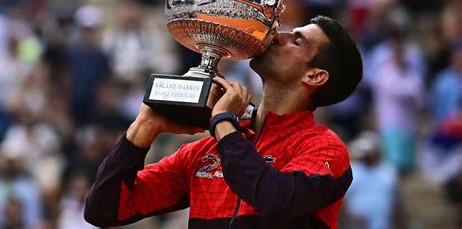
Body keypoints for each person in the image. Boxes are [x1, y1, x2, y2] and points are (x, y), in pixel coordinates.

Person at [84, 16, 363, 229]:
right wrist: (143, 127)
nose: (277, 36)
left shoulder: (325, 148)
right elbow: (105, 210)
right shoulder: (206, 151)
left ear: (315, 76)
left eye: (297, 40)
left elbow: (276, 201)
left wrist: (223, 124)